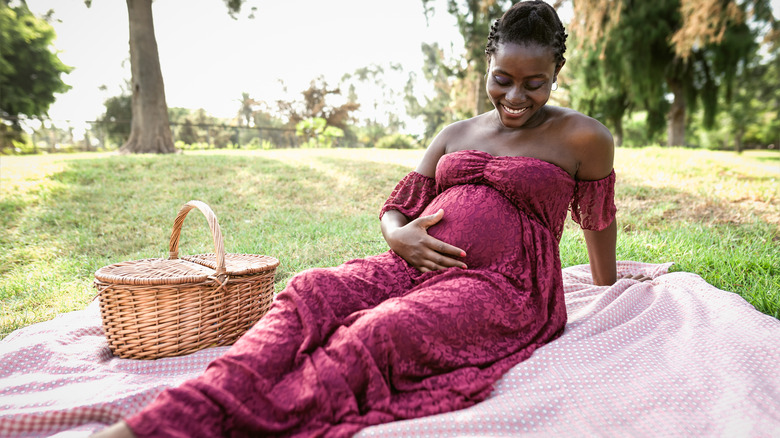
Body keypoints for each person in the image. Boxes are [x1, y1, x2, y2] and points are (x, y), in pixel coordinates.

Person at [93, 1, 616, 437]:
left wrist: (608, 286)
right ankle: (181, 410)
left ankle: (229, 423)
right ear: (487, 67)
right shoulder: (457, 133)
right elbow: (399, 205)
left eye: (535, 84)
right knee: (310, 290)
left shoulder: (583, 138)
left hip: (503, 284)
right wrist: (398, 236)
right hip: (411, 266)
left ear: (556, 75)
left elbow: (597, 218)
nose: (516, 97)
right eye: (502, 79)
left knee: (383, 329)